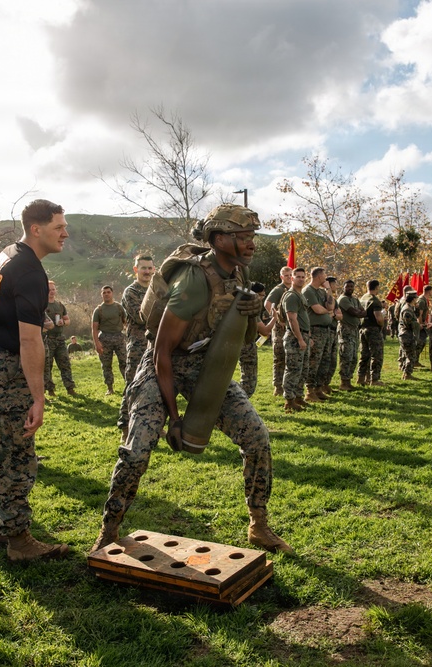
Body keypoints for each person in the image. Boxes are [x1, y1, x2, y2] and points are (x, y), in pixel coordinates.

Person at [93, 204, 292, 554]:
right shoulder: (194, 280)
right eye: (243, 237)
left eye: (252, 237)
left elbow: (244, 341)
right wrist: (174, 419)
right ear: (219, 239)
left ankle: (258, 525)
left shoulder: (238, 275)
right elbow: (162, 353)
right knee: (136, 452)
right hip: (163, 366)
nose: (251, 244)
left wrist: (249, 314)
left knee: (257, 437)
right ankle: (109, 531)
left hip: (206, 366)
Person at [0, 198, 70, 561]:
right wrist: (38, 398)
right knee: (17, 457)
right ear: (36, 229)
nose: (65, 233)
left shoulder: (8, 253)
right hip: (4, 370)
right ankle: (20, 541)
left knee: (2, 452)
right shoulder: (29, 272)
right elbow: (30, 339)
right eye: (59, 227)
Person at [118, 255, 155, 439]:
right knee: (132, 385)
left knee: (154, 387)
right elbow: (141, 317)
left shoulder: (156, 291)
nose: (147, 272)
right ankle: (125, 428)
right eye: (143, 268)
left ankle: (153, 426)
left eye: (149, 268)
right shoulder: (131, 292)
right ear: (136, 270)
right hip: (138, 346)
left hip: (155, 345)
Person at [302, 267, 334, 403]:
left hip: (325, 331)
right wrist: (328, 312)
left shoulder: (322, 291)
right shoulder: (308, 291)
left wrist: (328, 290)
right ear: (319, 276)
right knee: (314, 361)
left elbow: (331, 306)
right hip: (315, 330)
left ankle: (318, 388)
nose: (326, 278)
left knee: (324, 361)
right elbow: (318, 309)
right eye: (325, 275)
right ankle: (309, 390)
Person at [281, 268, 311, 412]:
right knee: (293, 369)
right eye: (297, 276)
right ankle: (289, 400)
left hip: (303, 335)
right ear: (291, 279)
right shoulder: (291, 296)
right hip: (294, 337)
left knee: (303, 369)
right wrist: (300, 339)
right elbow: (291, 319)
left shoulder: (300, 295)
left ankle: (298, 396)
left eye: (303, 277)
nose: (300, 279)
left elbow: (304, 318)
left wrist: (307, 337)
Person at [92, 285, 128, 395]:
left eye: (108, 292)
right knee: (106, 365)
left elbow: (126, 322)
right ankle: (110, 388)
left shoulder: (119, 307)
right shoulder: (98, 310)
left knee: (125, 363)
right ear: (101, 295)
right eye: (104, 293)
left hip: (119, 338)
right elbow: (94, 328)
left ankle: (128, 386)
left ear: (112, 293)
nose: (106, 294)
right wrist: (97, 343)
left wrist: (129, 336)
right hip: (105, 339)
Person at [42, 281, 75, 396]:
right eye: (49, 289)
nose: (51, 292)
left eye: (53, 289)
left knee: (65, 364)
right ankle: (50, 390)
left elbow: (68, 320)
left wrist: (63, 322)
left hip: (60, 339)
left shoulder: (60, 305)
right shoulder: (42, 305)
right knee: (47, 366)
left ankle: (70, 388)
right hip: (47, 339)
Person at [264, 266, 292, 396]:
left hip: (290, 327)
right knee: (279, 357)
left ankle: (287, 385)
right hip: (280, 329)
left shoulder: (292, 289)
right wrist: (276, 318)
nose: (288, 277)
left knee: (289, 357)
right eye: (286, 275)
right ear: (281, 277)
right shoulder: (278, 289)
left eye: (290, 275)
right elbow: (267, 304)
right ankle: (278, 386)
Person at [336, 280, 367, 390]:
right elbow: (354, 312)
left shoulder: (354, 299)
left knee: (354, 357)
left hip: (354, 330)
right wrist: (359, 313)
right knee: (346, 356)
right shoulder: (343, 299)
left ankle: (348, 380)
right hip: (346, 330)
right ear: (343, 287)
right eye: (347, 286)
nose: (349, 288)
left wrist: (359, 312)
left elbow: (364, 312)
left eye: (351, 286)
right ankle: (344, 382)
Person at [358, 280, 387, 386]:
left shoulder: (363, 298)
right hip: (373, 329)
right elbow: (378, 317)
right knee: (377, 354)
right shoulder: (375, 300)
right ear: (377, 287)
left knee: (364, 354)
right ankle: (374, 379)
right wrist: (382, 325)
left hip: (363, 328)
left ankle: (361, 377)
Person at [398, 292, 420, 380]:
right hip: (406, 335)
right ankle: (407, 374)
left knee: (407, 354)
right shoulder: (407, 310)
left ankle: (405, 373)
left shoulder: (411, 308)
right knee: (411, 355)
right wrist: (418, 325)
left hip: (407, 334)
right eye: (416, 298)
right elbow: (408, 323)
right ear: (413, 299)